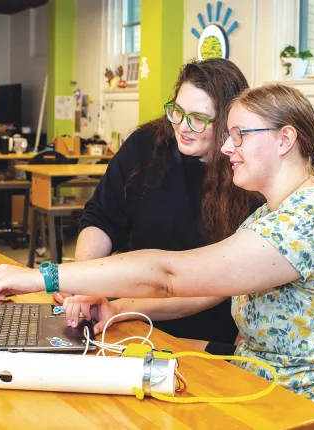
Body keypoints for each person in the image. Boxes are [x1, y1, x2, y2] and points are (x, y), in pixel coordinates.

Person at [0, 84, 314, 429]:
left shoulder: (304, 225)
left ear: (285, 139)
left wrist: (41, 278)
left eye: (239, 135)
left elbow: (168, 275)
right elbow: (205, 291)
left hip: (294, 412)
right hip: (261, 382)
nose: (226, 148)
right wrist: (118, 310)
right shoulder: (279, 212)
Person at [62, 58, 256, 347]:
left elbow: (220, 283)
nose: (183, 126)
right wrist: (82, 284)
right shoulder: (147, 145)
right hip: (129, 320)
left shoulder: (246, 174)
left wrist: (119, 306)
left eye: (199, 119)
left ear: (229, 123)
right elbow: (102, 217)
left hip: (203, 333)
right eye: (177, 111)